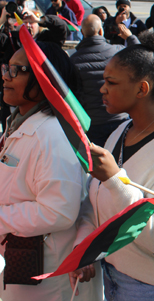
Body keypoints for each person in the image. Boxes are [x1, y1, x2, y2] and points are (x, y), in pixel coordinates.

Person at [70, 29, 154, 300]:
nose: (102, 89)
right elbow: (94, 201)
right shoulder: (120, 132)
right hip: (112, 272)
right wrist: (84, 247)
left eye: (111, 82)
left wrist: (115, 180)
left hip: (152, 286)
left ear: (142, 88)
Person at [0, 41, 102, 301]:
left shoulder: (52, 134)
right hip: (20, 258)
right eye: (6, 68)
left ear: (44, 79)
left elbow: (58, 211)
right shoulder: (20, 122)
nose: (5, 76)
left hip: (48, 270)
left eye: (16, 70)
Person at [70, 14, 140, 146]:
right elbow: (140, 56)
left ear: (82, 32)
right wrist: (130, 37)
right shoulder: (117, 52)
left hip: (91, 123)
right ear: (101, 31)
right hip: (119, 119)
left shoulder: (73, 60)